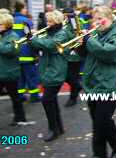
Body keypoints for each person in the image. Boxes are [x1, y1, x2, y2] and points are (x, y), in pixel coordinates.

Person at [81, 5, 116, 158]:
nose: (98, 22)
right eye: (96, 19)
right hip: (94, 85)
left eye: (101, 19)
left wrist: (89, 41)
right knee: (100, 121)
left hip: (110, 86)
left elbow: (108, 53)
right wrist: (82, 43)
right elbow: (83, 54)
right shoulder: (96, 35)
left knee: (99, 125)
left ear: (110, 18)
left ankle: (99, 154)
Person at [29, 10, 68, 142]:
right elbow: (40, 45)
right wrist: (33, 39)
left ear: (57, 22)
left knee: (47, 100)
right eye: (47, 21)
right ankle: (59, 127)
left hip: (56, 71)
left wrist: (34, 40)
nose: (48, 23)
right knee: (52, 100)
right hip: (49, 70)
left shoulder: (62, 33)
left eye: (50, 21)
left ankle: (54, 129)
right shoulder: (49, 32)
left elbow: (50, 45)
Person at [13, 1, 41, 102]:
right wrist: (36, 53)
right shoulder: (25, 21)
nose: (26, 10)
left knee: (19, 78)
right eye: (25, 8)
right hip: (26, 54)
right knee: (31, 77)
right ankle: (34, 96)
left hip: (14, 54)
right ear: (22, 9)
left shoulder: (11, 20)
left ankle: (20, 96)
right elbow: (29, 38)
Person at [62, 7, 82, 107]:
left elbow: (76, 36)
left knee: (72, 77)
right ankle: (77, 86)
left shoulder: (75, 23)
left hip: (74, 55)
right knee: (66, 77)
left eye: (65, 15)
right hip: (66, 54)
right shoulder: (65, 24)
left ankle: (73, 98)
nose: (64, 17)